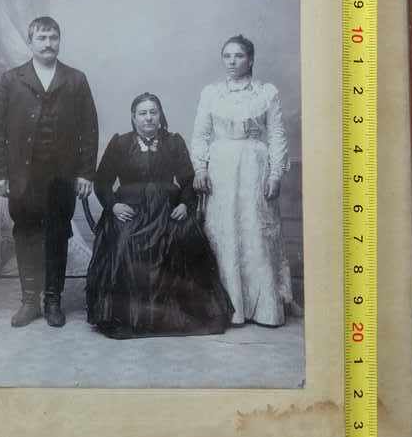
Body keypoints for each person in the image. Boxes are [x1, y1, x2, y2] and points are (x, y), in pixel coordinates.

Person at [86, 92, 233, 339]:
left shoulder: (174, 142)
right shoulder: (120, 144)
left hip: (168, 209)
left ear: (160, 115)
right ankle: (127, 316)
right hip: (130, 210)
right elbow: (102, 182)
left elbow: (187, 180)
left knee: (185, 237)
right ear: (133, 118)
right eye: (142, 113)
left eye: (153, 112)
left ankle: (177, 315)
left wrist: (186, 204)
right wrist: (113, 206)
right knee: (124, 242)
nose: (148, 118)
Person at [0, 16, 98, 328]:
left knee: (57, 236)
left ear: (59, 41)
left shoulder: (76, 79)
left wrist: (86, 174)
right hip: (23, 176)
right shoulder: (12, 79)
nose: (48, 43)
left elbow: (89, 130)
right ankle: (29, 301)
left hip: (62, 177)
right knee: (26, 234)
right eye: (42, 38)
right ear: (31, 42)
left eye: (53, 38)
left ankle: (53, 300)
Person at [191, 34, 293, 326]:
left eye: (238, 56)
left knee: (255, 232)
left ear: (250, 59)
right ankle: (228, 307)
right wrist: (200, 169)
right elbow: (200, 135)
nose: (232, 62)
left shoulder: (266, 93)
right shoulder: (211, 93)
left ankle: (264, 309)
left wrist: (275, 175)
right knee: (223, 232)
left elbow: (276, 135)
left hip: (253, 166)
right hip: (221, 167)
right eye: (227, 56)